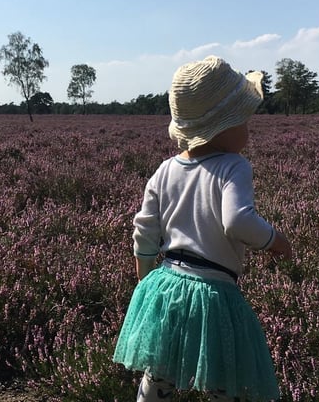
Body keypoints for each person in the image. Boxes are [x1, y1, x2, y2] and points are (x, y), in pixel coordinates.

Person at [113, 56, 292, 402]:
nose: (248, 130)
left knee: (158, 376)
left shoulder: (165, 170)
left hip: (165, 286)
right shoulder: (233, 166)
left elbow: (145, 234)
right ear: (223, 127)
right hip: (213, 293)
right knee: (224, 377)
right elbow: (237, 220)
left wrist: (146, 285)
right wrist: (275, 241)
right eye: (244, 120)